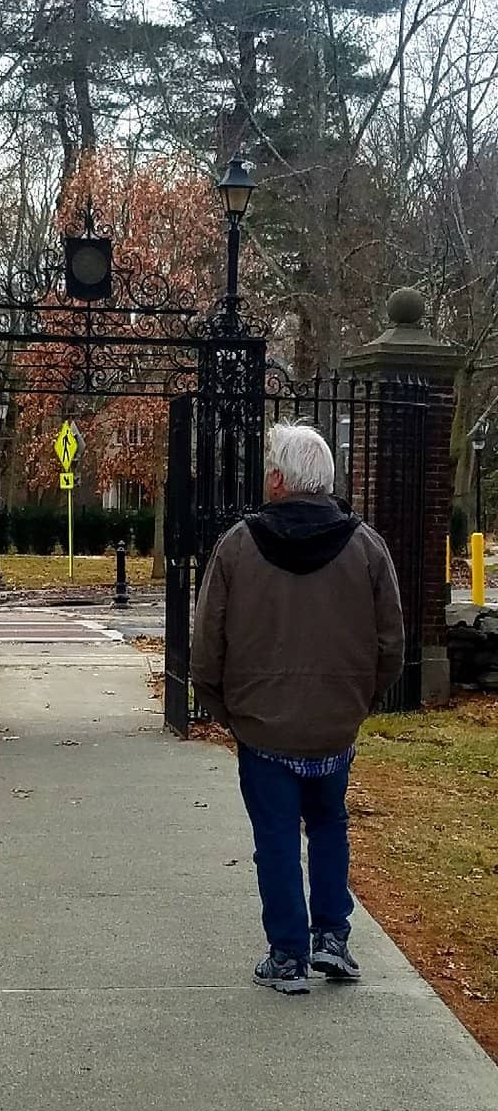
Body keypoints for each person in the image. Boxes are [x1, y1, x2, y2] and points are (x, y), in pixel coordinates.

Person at [190, 422, 404, 995]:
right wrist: (362, 700)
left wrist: (221, 707)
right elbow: (392, 642)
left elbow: (207, 639)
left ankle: (287, 955)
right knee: (330, 824)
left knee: (278, 836)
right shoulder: (366, 548)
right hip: (335, 721)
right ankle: (332, 937)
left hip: (262, 724)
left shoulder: (238, 545)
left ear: (279, 479)